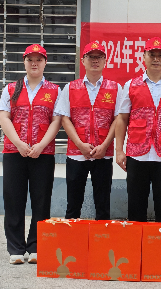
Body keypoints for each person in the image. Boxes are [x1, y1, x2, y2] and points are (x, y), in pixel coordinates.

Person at [0, 44, 61, 264]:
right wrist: (19, 144)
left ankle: (36, 246)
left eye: (39, 60)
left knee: (41, 199)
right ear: (24, 62)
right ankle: (15, 248)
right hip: (14, 152)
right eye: (30, 60)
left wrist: (41, 145)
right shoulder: (10, 89)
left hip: (43, 154)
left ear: (45, 63)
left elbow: (56, 120)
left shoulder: (55, 90)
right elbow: (4, 118)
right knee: (13, 199)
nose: (34, 63)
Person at [115, 37, 161, 222]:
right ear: (144, 57)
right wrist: (119, 150)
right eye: (152, 55)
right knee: (136, 208)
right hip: (137, 155)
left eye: (160, 55)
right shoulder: (131, 85)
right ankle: (136, 241)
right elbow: (122, 118)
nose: (156, 59)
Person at [54, 41, 121, 220]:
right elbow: (64, 118)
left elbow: (118, 120)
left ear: (105, 61)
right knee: (73, 206)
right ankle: (72, 237)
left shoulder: (115, 88)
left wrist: (104, 145)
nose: (95, 60)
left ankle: (101, 238)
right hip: (76, 154)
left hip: (103, 154)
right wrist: (80, 144)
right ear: (83, 60)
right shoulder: (70, 87)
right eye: (90, 57)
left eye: (99, 57)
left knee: (103, 206)